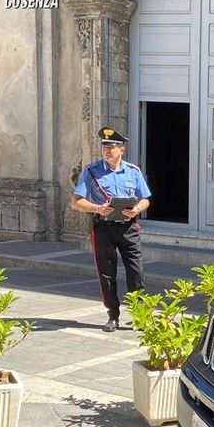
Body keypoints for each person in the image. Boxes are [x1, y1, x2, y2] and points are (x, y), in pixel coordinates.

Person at [71, 127, 152, 332]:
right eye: (104, 146)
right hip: (103, 228)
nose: (106, 150)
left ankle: (140, 316)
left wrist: (136, 210)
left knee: (136, 272)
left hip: (128, 227)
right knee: (107, 274)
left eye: (111, 147)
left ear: (122, 149)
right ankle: (113, 315)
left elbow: (145, 199)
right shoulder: (91, 171)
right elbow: (76, 202)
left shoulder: (133, 171)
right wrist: (98, 208)